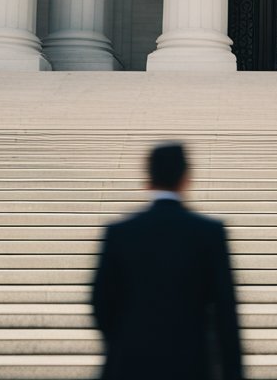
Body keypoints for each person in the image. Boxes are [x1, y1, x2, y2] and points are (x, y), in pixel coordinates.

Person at [92, 142, 244, 380]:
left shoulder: (120, 233)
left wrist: (125, 341)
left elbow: (101, 303)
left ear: (149, 178)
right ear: (185, 178)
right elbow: (225, 313)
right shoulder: (209, 233)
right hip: (191, 364)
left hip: (129, 364)